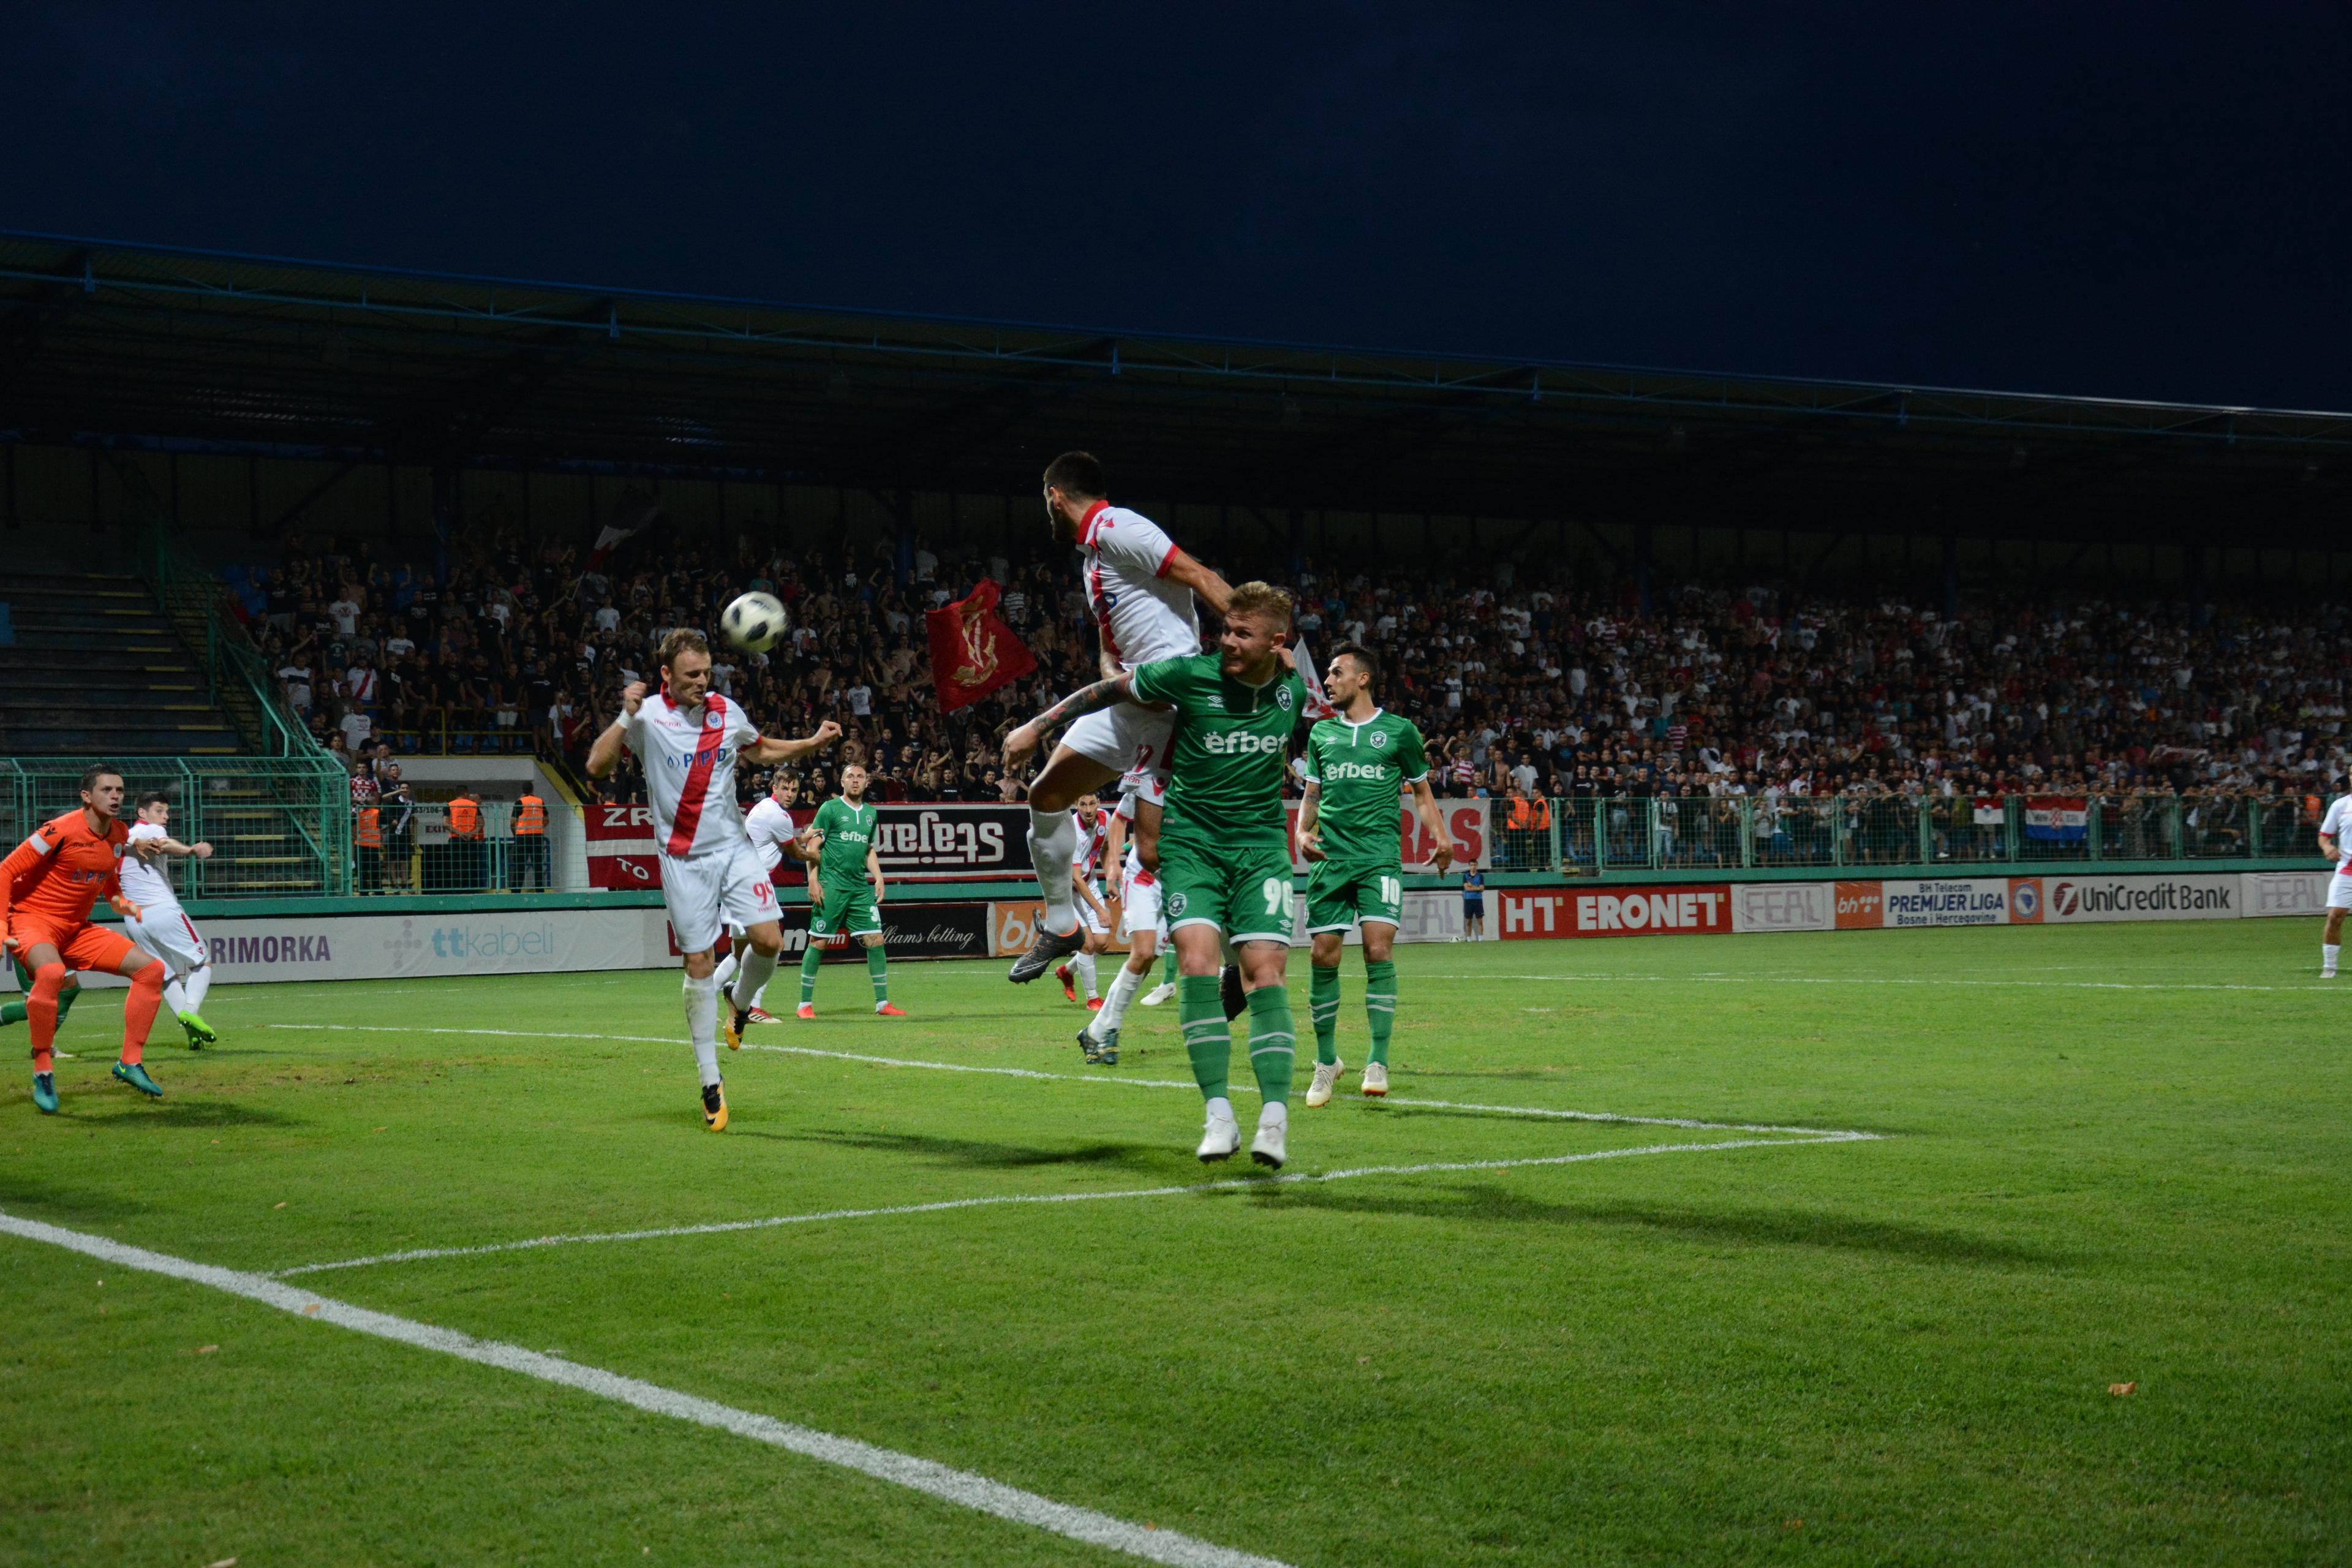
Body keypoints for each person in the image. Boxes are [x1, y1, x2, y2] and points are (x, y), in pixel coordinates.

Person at [1006, 581, 1306, 1167]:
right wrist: (1038, 728)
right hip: (1192, 844)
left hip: (1262, 849)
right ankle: (1218, 1115)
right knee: (1195, 963)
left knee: (1264, 973)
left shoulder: (1291, 689)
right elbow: (1107, 688)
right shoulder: (1190, 676)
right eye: (1225, 629)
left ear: (1278, 641)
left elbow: (1299, 681)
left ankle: (1275, 1117)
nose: (1228, 642)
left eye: (1243, 634)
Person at [586, 628, 842, 1131]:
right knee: (699, 962)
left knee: (768, 940)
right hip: (682, 860)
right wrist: (625, 714)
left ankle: (740, 1005)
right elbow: (597, 765)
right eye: (691, 675)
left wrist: (810, 743)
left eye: (707, 673)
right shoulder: (648, 718)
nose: (703, 682)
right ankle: (709, 1079)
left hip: (732, 848)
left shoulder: (726, 711)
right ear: (666, 676)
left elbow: (761, 751)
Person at [1006, 451, 1237, 986]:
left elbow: (1198, 574)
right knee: (1046, 795)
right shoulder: (1093, 559)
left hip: (1172, 705)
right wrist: (1111, 669)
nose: (1047, 514)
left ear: (1055, 496)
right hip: (1126, 697)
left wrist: (1265, 640)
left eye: (1047, 503)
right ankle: (1063, 924)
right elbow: (1111, 649)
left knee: (1155, 851)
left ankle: (1233, 959)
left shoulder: (1118, 526)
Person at [1297, 645, 1452, 1104]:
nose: (1327, 680)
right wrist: (1302, 833)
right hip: (1330, 860)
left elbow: (1421, 793)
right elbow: (1311, 795)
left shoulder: (1399, 731)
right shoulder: (1322, 734)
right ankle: (1327, 1062)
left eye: (1336, 672)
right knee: (1323, 955)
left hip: (1380, 858)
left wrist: (1441, 838)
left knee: (1377, 947)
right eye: (1326, 673)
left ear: (1363, 679)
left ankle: (1378, 1060)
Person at [0, 766, 172, 1112]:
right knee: (50, 975)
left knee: (152, 971)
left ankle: (129, 1063)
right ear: (87, 796)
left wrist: (122, 903)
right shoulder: (57, 830)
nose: (116, 797)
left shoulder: (119, 833)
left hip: (76, 928)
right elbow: (6, 870)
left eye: (120, 791)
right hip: (33, 921)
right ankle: (43, 1071)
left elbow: (108, 880)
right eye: (107, 790)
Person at [796, 763, 905, 1019]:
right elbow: (813, 844)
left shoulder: (870, 813)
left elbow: (868, 849)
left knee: (876, 940)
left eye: (860, 777)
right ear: (842, 782)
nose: (855, 781)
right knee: (819, 942)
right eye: (850, 777)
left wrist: (878, 877)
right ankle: (804, 1005)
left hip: (859, 888)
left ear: (867, 782)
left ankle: (882, 1003)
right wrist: (813, 879)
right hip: (832, 885)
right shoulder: (830, 809)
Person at [712, 772, 822, 1020]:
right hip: (752, 883)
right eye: (785, 789)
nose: (790, 794)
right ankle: (752, 1007)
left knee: (739, 954)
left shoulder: (763, 807)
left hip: (736, 880)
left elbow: (781, 842)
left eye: (794, 790)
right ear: (775, 787)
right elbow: (795, 853)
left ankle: (705, 1000)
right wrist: (817, 856)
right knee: (774, 947)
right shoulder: (778, 815)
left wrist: (803, 837)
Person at [1077, 771, 1170, 1065]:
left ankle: (1094, 1029)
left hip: (1179, 880)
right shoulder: (1153, 776)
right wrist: (1114, 865)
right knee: (1142, 950)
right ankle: (1112, 1027)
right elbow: (1119, 818)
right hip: (1142, 875)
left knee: (1150, 956)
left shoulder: (1206, 784)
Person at [121, 793, 221, 1048]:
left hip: (134, 920)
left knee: (166, 976)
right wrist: (191, 849)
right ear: (142, 814)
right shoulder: (150, 829)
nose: (165, 816)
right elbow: (164, 844)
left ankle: (190, 1031)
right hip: (162, 910)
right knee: (202, 962)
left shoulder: (121, 838)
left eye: (167, 811)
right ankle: (190, 1010)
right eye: (159, 810)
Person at [1055, 793, 1115, 1009]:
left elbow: (1106, 848)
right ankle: (1093, 999)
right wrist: (1100, 910)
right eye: (1083, 804)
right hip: (1069, 891)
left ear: (1098, 803)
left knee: (1102, 942)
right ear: (1075, 805)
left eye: (1092, 804)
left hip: (1089, 884)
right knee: (1088, 943)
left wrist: (1110, 876)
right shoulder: (1072, 833)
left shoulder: (1105, 819)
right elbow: (1076, 879)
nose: (1088, 810)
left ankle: (1067, 971)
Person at [2315, 776, 2352, 976]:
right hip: (2348, 869)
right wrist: (2328, 847)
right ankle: (2329, 968)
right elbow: (2324, 836)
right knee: (2335, 917)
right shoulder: (2341, 805)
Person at [510, 788, 551, 892]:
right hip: (537, 837)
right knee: (538, 865)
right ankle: (540, 890)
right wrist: (539, 827)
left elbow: (512, 822)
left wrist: (515, 833)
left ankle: (516, 890)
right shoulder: (540, 801)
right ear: (533, 790)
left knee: (520, 865)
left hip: (522, 837)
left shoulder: (520, 802)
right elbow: (546, 819)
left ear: (523, 791)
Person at [1459, 865, 1486, 940]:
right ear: (1469, 866)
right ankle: (1469, 939)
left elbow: (1482, 889)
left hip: (1478, 900)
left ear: (1477, 866)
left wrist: (1472, 886)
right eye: (1471, 865)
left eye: (1474, 865)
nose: (1473, 867)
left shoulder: (1480, 876)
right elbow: (1467, 889)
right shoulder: (1466, 876)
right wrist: (1478, 888)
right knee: (1468, 921)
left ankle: (1481, 939)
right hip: (1468, 900)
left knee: (1480, 921)